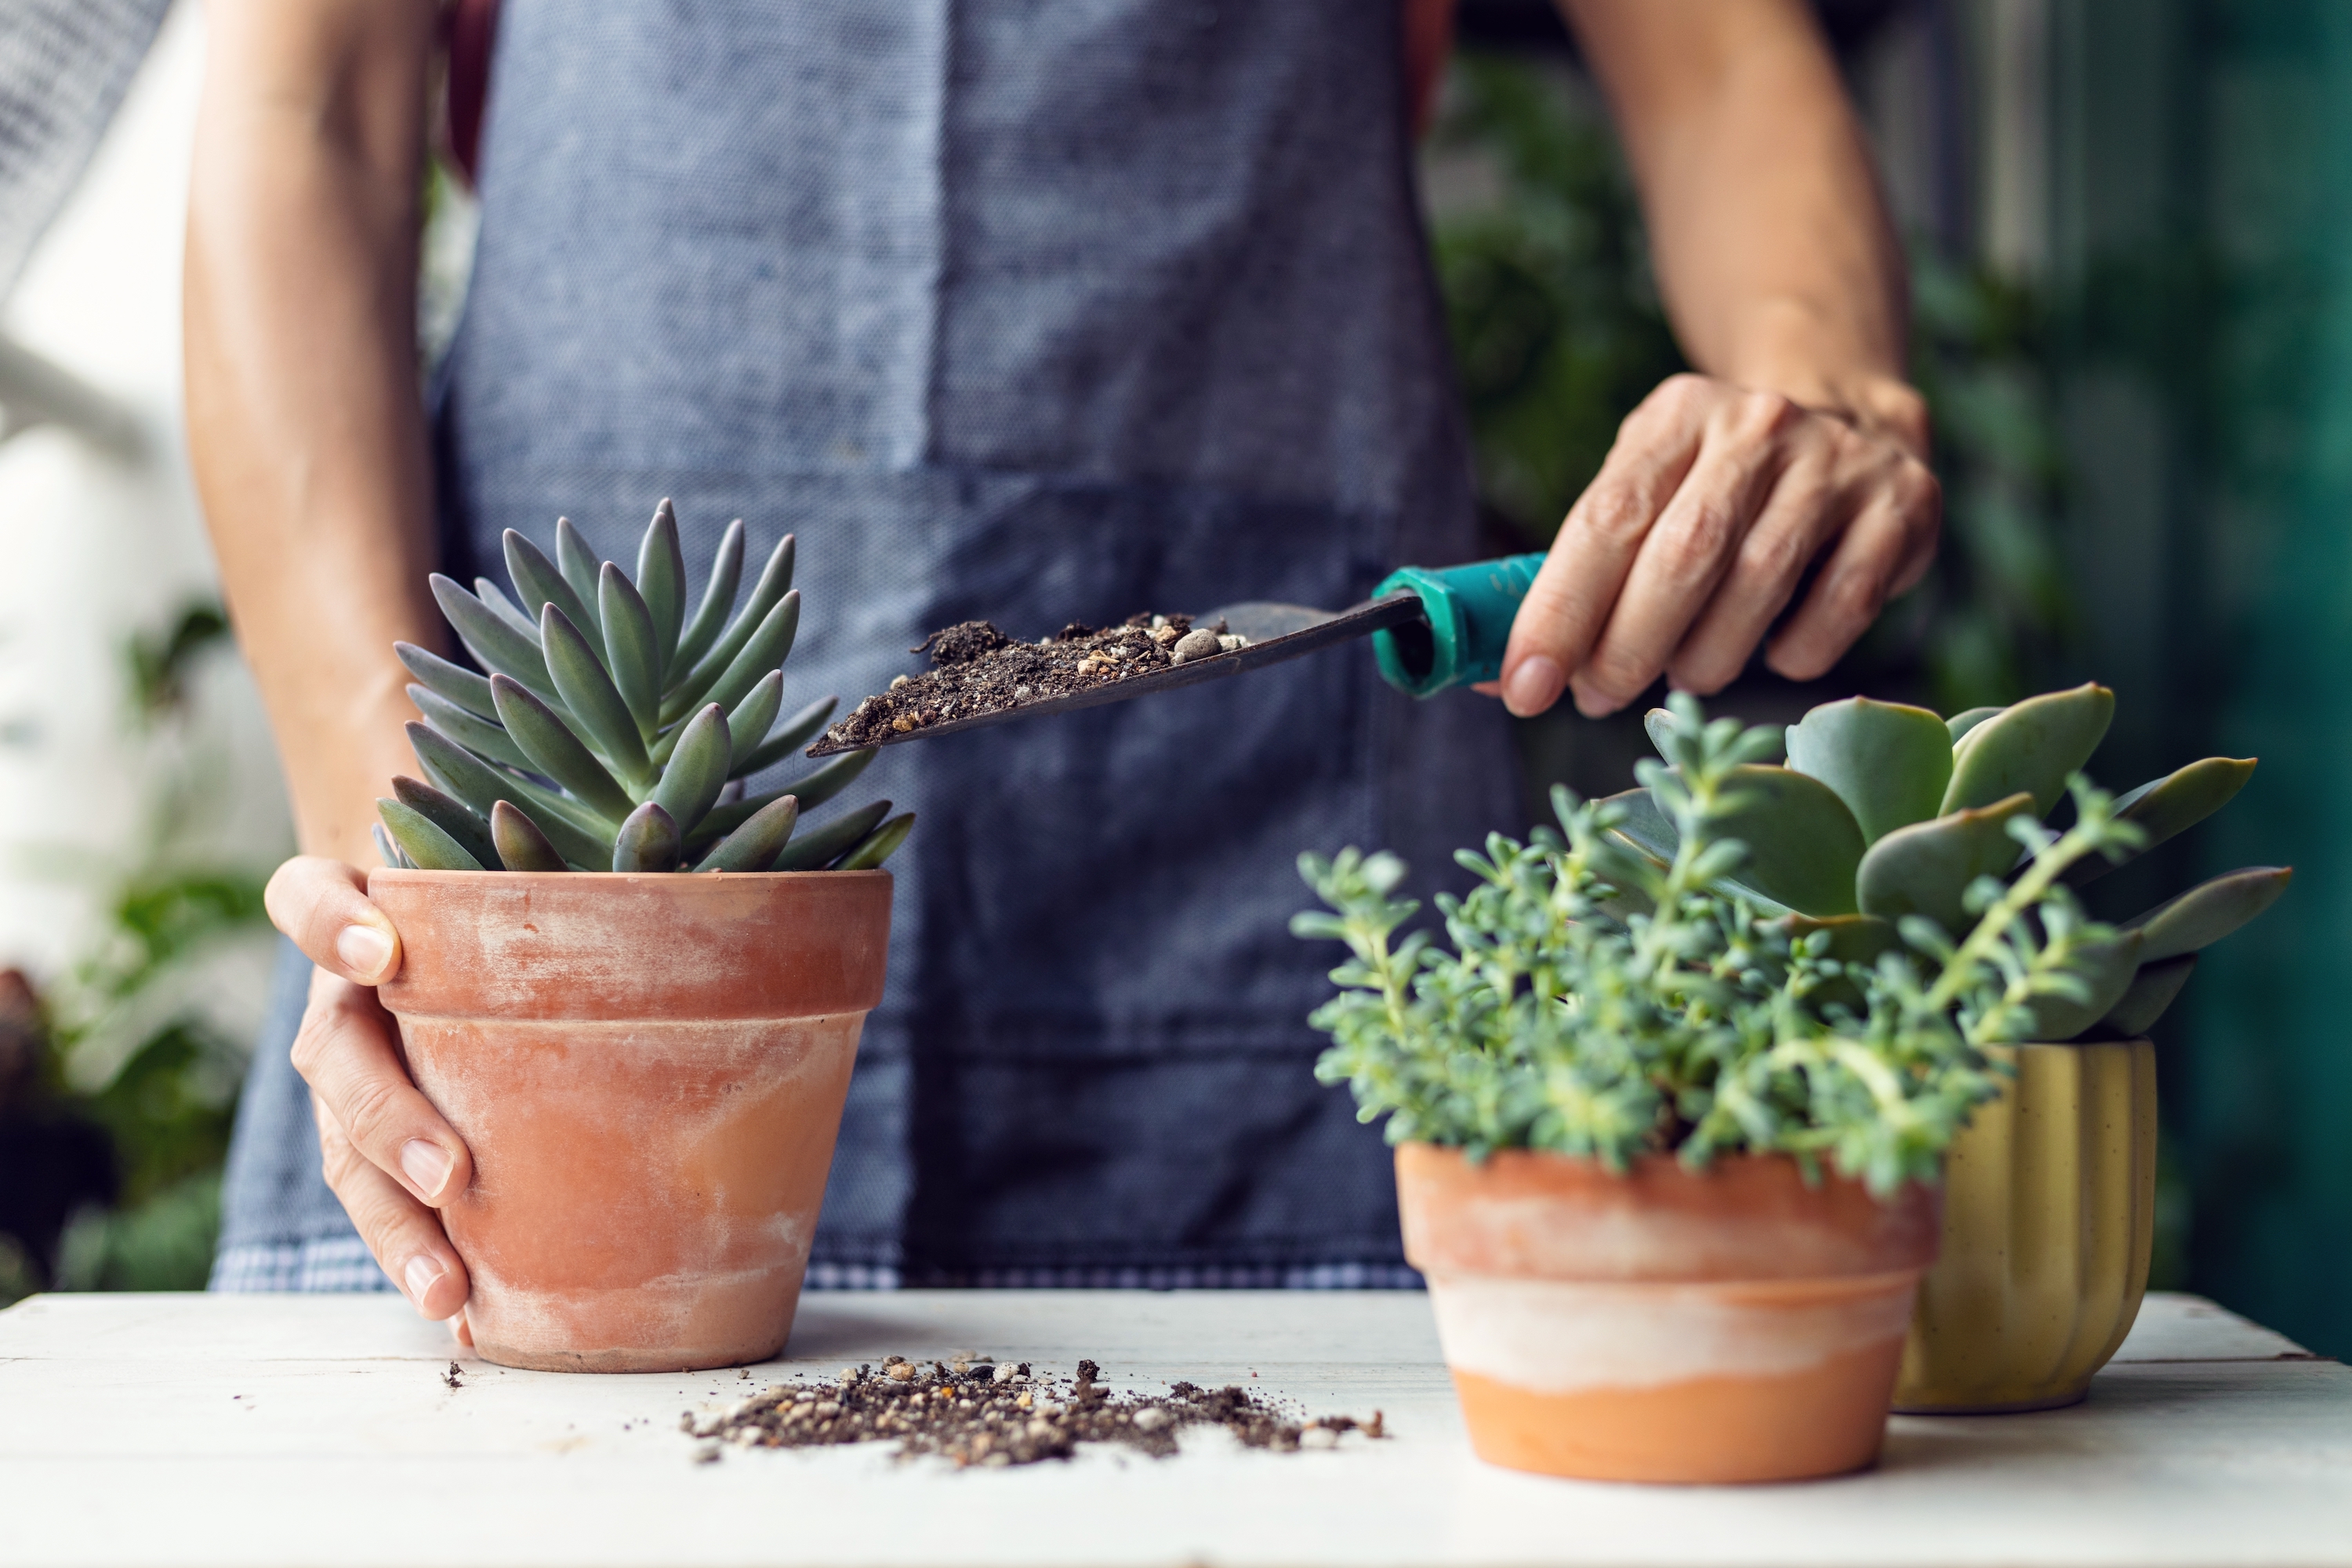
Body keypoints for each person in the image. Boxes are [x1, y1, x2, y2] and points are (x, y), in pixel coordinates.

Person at [191, 0, 1938, 1315]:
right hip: (549, 912)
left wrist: (1825, 391)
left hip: (1276, 925)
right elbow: (303, 107)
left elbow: (1715, 61)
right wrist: (404, 820)